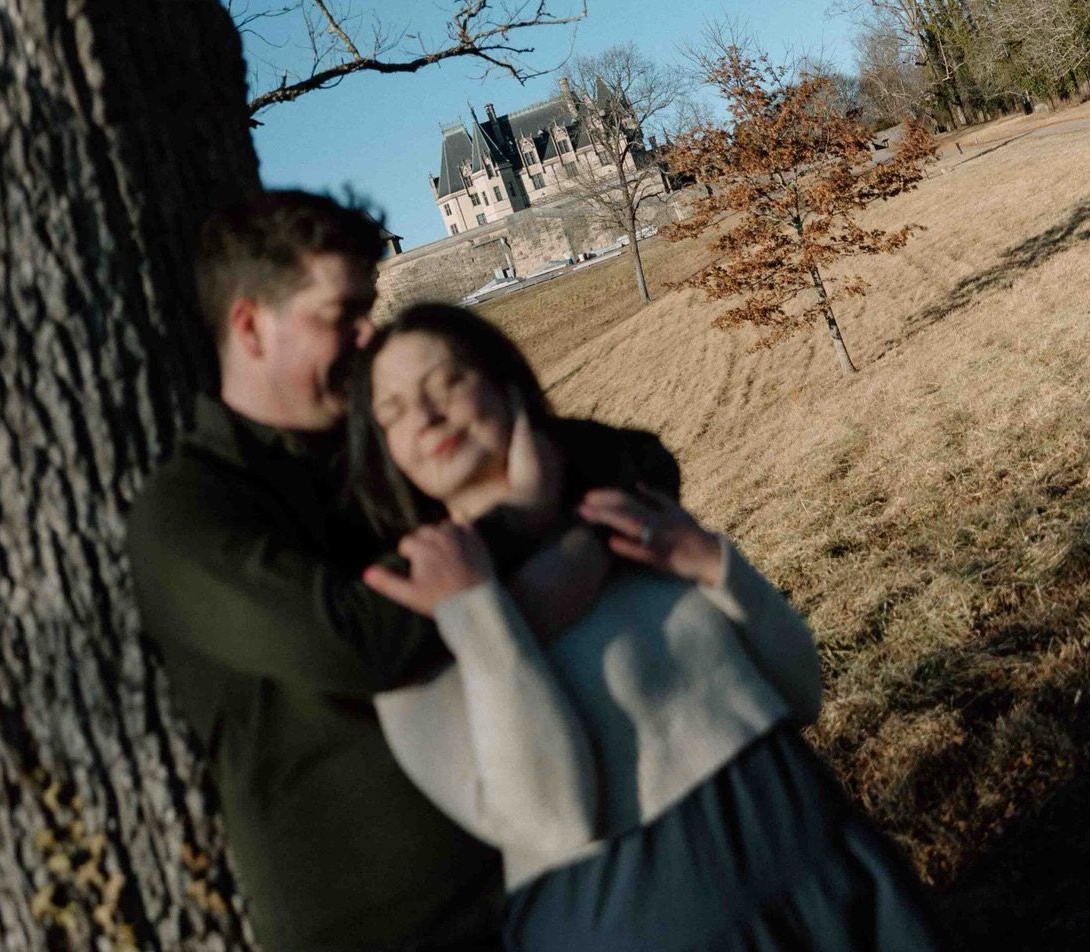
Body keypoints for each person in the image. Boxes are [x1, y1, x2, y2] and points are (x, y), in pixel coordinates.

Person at [351, 303, 942, 952]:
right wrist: (478, 618)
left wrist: (713, 565)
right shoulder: (409, 626)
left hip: (825, 873)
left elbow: (801, 691)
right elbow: (553, 818)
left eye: (447, 382)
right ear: (385, 453)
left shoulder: (625, 516)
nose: (427, 417)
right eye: (394, 411)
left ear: (504, 384)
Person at [125, 192, 611, 952]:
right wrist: (519, 531)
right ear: (250, 325)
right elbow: (355, 644)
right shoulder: (187, 512)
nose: (367, 337)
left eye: (369, 309)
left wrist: (555, 538)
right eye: (340, 316)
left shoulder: (382, 447)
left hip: (550, 879)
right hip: (389, 932)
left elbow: (626, 463)